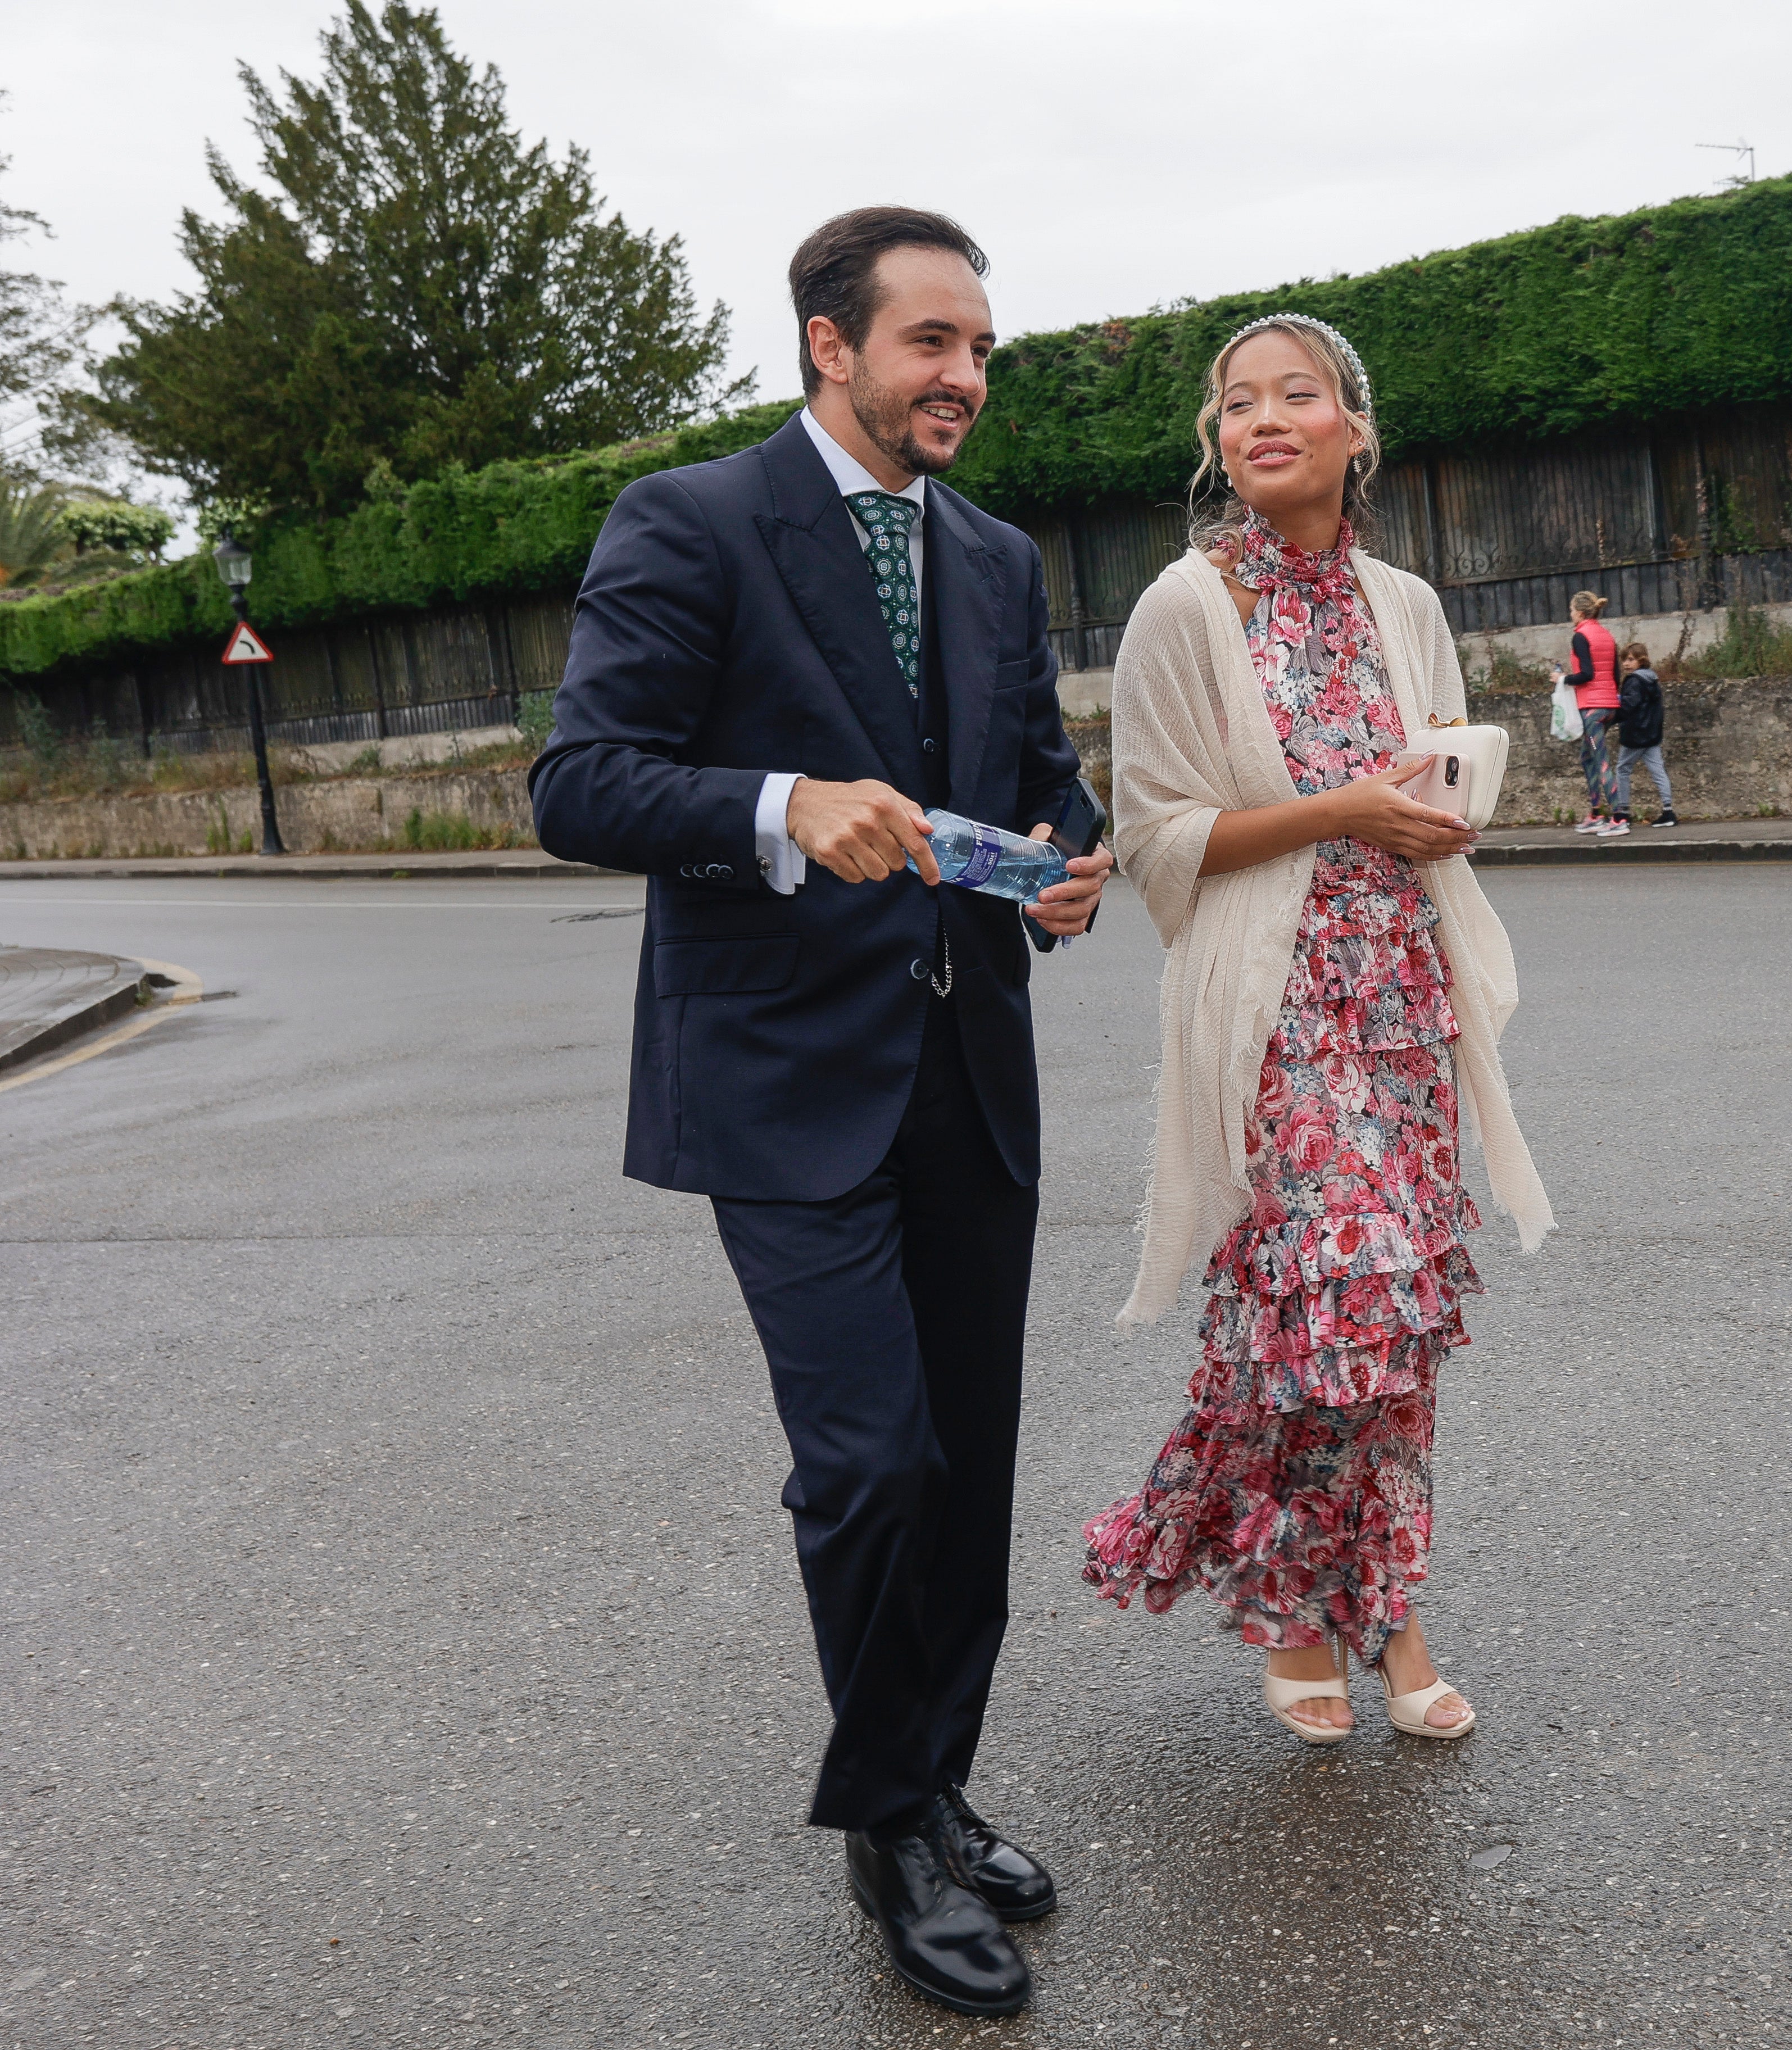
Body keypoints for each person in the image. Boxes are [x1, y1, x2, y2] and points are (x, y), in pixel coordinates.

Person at [529, 206, 1111, 2021]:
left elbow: (1030, 779)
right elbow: (583, 780)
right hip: (784, 1080)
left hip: (967, 1068)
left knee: (971, 1464)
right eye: (933, 341)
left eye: (983, 347)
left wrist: (1062, 866)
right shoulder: (691, 520)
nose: (966, 376)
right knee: (871, 1461)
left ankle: (933, 1777)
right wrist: (785, 800)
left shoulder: (998, 556)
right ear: (827, 345)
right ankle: (887, 1834)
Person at [1081, 312, 1552, 1745]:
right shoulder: (1185, 605)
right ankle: (1300, 1617)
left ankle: (1384, 1613)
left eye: (1296, 395)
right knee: (1326, 1303)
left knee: (1389, 1328)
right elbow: (1157, 838)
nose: (1261, 418)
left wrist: (1430, 804)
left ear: (1356, 430)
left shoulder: (1403, 601)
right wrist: (1344, 808)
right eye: (1236, 403)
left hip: (1402, 1000)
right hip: (1271, 1011)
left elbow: (1447, 779)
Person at [1556, 591, 1628, 835]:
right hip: (1609, 706)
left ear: (1581, 612)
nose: (1570, 614)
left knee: (1601, 761)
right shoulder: (1606, 635)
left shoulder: (1580, 636)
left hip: (1592, 708)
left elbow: (1587, 674)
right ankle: (1597, 813)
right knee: (1588, 758)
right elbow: (1615, 674)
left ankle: (1619, 818)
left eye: (1571, 610)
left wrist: (1562, 679)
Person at [1614, 640, 1675, 826]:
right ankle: (1668, 812)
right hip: (1651, 734)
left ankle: (1623, 813)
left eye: (1631, 660)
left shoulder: (1634, 680)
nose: (1626, 664)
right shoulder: (1652, 679)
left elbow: (1628, 706)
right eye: (1624, 660)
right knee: (1658, 770)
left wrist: (1610, 717)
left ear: (1641, 661)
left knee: (1622, 769)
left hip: (1636, 735)